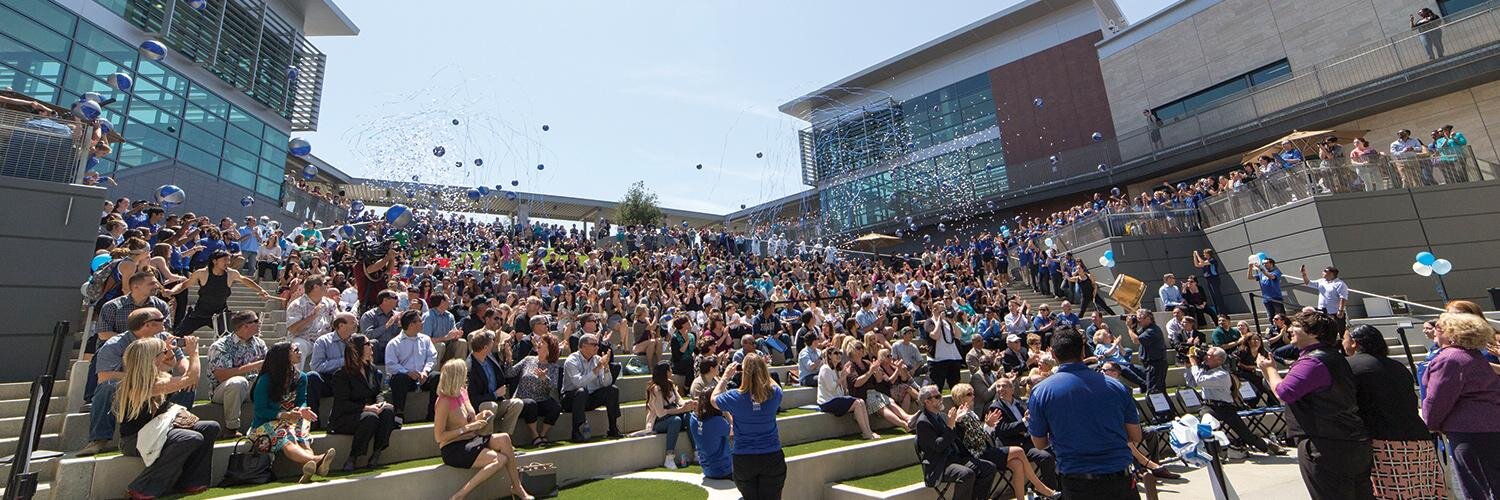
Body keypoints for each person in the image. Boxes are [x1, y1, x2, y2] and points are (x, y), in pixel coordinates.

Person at [1257, 311, 1373, 500]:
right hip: (1351, 441)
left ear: (1313, 333)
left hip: (1326, 447)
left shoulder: (1313, 361)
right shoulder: (1334, 358)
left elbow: (1284, 392)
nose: (1290, 329)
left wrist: (1269, 370)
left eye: (1296, 326)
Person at [1027, 328, 1141, 499]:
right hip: (1120, 480)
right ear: (1082, 350)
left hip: (1077, 484)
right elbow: (1135, 435)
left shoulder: (1041, 392)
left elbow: (1039, 443)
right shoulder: (1116, 386)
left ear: (1053, 354)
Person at [1342, 325, 1445, 499]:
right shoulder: (1398, 367)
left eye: (1344, 339)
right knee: (1423, 494)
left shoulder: (1350, 366)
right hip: (1419, 442)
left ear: (1354, 343)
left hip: (1384, 444)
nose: (1342, 343)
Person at [113, 335, 219, 498]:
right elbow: (191, 379)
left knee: (210, 427)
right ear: (151, 359)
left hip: (156, 432)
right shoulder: (142, 384)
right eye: (162, 353)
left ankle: (192, 481)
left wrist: (168, 349)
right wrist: (194, 353)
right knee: (190, 437)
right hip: (135, 439)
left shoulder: (159, 375)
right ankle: (142, 487)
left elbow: (171, 363)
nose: (166, 355)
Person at [80, 308, 194, 456]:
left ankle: (179, 426)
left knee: (188, 386)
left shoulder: (164, 337)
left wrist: (187, 374)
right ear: (147, 325)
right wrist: (142, 379)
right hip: (129, 389)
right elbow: (104, 376)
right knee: (106, 388)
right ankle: (99, 439)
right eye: (161, 320)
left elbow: (180, 360)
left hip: (158, 386)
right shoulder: (115, 344)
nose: (166, 321)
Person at [1422, 313, 1500, 500]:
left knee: (1479, 489)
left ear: (1452, 333)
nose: (1435, 332)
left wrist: (1430, 423)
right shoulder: (1473, 357)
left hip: (1470, 434)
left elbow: (1437, 399)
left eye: (1439, 328)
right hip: (1490, 427)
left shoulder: (1450, 359)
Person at [432, 359, 533, 500]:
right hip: (453, 448)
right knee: (500, 459)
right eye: (463, 374)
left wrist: (481, 416)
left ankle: (517, 487)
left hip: (471, 439)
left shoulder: (462, 392)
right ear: (455, 376)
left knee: (504, 438)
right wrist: (466, 428)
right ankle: (460, 495)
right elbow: (439, 437)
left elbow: (469, 419)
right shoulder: (443, 401)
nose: (466, 377)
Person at [950, 383, 1062, 500]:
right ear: (960, 397)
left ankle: (1021, 498)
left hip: (986, 449)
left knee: (1017, 465)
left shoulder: (971, 413)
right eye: (969, 394)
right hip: (980, 454)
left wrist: (988, 426)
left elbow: (980, 436)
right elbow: (974, 442)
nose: (973, 396)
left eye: (973, 393)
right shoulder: (961, 416)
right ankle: (1040, 486)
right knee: (1018, 451)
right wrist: (987, 426)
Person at [249, 342, 337, 484]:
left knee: (302, 428)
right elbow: (260, 411)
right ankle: (316, 460)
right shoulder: (265, 380)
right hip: (263, 426)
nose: (299, 352)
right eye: (295, 350)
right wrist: (283, 415)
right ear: (284, 356)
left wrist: (301, 410)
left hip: (289, 419)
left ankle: (313, 467)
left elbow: (302, 400)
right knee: (286, 435)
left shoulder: (301, 377)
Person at [712, 353, 786, 500]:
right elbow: (778, 387)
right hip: (771, 456)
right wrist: (762, 369)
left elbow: (714, 399)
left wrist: (725, 377)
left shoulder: (734, 397)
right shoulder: (774, 394)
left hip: (744, 458)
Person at [1186, 346, 1284, 455]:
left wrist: (1194, 364)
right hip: (1208, 406)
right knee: (1206, 425)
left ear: (1218, 360)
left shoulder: (1222, 374)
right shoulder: (1204, 370)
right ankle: (1214, 453)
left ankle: (1266, 445)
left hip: (1225, 407)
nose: (1206, 357)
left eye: (1209, 356)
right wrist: (1189, 366)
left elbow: (1200, 381)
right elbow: (1192, 383)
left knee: (1246, 436)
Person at [914, 384, 996, 500]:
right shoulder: (923, 422)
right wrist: (950, 426)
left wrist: (958, 421)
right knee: (966, 474)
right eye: (937, 397)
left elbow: (956, 437)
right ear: (927, 402)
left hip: (956, 458)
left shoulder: (942, 416)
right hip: (940, 464)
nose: (941, 398)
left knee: (989, 468)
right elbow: (938, 446)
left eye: (940, 395)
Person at [329, 334, 399, 471]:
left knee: (388, 411)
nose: (371, 346)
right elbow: (342, 404)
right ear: (358, 349)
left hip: (369, 410)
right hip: (346, 417)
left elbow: (377, 393)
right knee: (370, 417)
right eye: (368, 344)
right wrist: (366, 408)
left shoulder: (372, 370)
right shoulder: (341, 375)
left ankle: (376, 453)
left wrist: (380, 403)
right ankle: (353, 457)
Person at [168, 249, 270, 336]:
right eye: (225, 260)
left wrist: (261, 290)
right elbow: (184, 285)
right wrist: (172, 291)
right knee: (178, 335)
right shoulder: (202, 273)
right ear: (214, 261)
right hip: (199, 313)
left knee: (233, 338)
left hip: (220, 314)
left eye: (229, 260)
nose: (228, 263)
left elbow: (245, 280)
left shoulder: (231, 273)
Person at [986, 376, 1061, 488]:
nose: (1000, 389)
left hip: (1027, 440)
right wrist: (1024, 422)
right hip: (1013, 446)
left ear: (1012, 389)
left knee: (1056, 449)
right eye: (998, 386)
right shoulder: (995, 407)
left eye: (1004, 386)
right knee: (1045, 457)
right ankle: (1051, 491)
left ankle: (1061, 485)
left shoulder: (1018, 403)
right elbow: (1003, 430)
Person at [207, 310, 268, 436]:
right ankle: (231, 428)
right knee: (238, 382)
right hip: (224, 390)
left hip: (252, 387)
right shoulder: (221, 346)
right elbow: (222, 376)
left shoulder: (259, 343)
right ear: (246, 325)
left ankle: (274, 422)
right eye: (256, 321)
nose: (260, 323)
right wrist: (253, 366)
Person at [504, 332, 564, 446]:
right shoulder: (528, 360)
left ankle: (543, 434)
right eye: (539, 341)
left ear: (550, 348)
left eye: (543, 342)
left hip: (541, 400)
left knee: (555, 407)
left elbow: (554, 386)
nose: (539, 343)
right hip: (523, 400)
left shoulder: (554, 367)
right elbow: (509, 373)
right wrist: (508, 358)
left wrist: (544, 379)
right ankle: (534, 436)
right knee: (531, 404)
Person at [562, 333, 622, 441]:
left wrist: (606, 367)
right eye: (594, 344)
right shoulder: (571, 360)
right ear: (583, 346)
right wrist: (598, 368)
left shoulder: (597, 359)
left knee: (612, 390)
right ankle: (576, 431)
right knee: (581, 391)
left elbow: (606, 384)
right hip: (571, 399)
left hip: (590, 397)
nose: (597, 347)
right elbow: (578, 383)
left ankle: (613, 428)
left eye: (597, 344)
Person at [640, 361, 697, 469]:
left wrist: (687, 404)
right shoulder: (655, 389)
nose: (672, 371)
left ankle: (697, 452)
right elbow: (661, 413)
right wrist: (680, 410)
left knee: (688, 415)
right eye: (670, 369)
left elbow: (679, 399)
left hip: (672, 416)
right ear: (665, 372)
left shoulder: (670, 383)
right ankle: (669, 457)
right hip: (658, 421)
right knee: (676, 420)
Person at [466, 330, 524, 436]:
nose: (494, 343)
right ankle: (486, 440)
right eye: (491, 342)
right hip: (480, 406)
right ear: (485, 348)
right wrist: (495, 394)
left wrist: (508, 359)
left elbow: (504, 375)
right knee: (491, 405)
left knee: (517, 403)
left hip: (497, 402)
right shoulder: (469, 367)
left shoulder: (490, 357)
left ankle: (504, 438)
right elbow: (472, 398)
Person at [816, 348, 879, 440]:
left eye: (840, 353)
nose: (838, 355)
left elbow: (843, 389)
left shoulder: (837, 369)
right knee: (857, 403)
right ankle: (866, 432)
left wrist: (845, 376)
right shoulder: (825, 369)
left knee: (861, 401)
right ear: (829, 356)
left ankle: (869, 431)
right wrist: (842, 377)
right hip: (827, 402)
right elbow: (831, 388)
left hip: (837, 399)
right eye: (835, 353)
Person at [387, 309, 438, 421]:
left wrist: (426, 371)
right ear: (411, 324)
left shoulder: (425, 339)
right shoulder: (394, 343)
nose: (422, 322)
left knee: (437, 377)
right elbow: (390, 365)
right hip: (406, 379)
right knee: (400, 378)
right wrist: (407, 372)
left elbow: (432, 356)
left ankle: (432, 413)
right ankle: (399, 414)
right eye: (420, 320)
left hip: (423, 377)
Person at [284, 274, 338, 370]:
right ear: (316, 287)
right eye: (325, 283)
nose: (328, 286)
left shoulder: (330, 303)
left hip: (325, 340)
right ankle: (294, 379)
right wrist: (312, 316)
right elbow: (292, 329)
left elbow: (338, 321)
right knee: (297, 347)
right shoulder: (297, 304)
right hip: (304, 339)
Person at [688, 388, 733, 480]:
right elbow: (734, 431)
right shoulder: (717, 421)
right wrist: (726, 411)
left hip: (707, 469)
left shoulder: (693, 418)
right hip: (723, 470)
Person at [1123, 308, 1168, 394]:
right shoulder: (1146, 328)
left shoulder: (1152, 330)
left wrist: (1128, 327)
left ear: (1148, 318)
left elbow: (1136, 340)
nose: (1138, 320)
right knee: (1158, 390)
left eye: (1140, 317)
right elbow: (1136, 335)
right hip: (1151, 364)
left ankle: (1161, 407)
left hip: (1156, 364)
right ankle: (1165, 407)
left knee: (1154, 392)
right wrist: (1133, 327)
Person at [926, 300, 964, 390]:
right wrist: (939, 321)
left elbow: (958, 335)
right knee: (937, 387)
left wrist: (952, 323)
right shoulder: (929, 322)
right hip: (937, 360)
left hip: (952, 357)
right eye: (940, 310)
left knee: (955, 387)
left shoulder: (948, 322)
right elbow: (935, 336)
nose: (943, 312)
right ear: (934, 310)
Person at [359, 290, 402, 365]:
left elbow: (400, 336)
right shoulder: (369, 315)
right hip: (377, 350)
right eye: (395, 298)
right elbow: (367, 335)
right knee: (373, 342)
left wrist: (400, 326)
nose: (397, 300)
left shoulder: (397, 315)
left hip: (392, 349)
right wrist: (387, 325)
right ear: (385, 300)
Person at [1248, 258, 1286, 327]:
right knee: (1271, 318)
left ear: (1271, 264)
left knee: (1281, 317)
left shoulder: (1276, 272)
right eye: (1263, 263)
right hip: (1266, 299)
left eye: (1266, 263)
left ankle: (1285, 330)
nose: (1264, 265)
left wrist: (1261, 268)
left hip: (1276, 298)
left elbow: (1271, 277)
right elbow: (1250, 277)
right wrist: (1250, 268)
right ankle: (1274, 330)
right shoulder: (1261, 274)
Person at [1191, 249, 1224, 313]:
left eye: (1204, 253)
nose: (1203, 254)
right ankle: (1217, 311)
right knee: (1212, 296)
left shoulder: (1212, 260)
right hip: (1208, 279)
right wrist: (1194, 256)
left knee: (1217, 295)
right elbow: (1197, 265)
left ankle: (1222, 311)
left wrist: (1197, 254)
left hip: (1214, 279)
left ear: (1208, 254)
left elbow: (1202, 263)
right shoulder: (1206, 261)